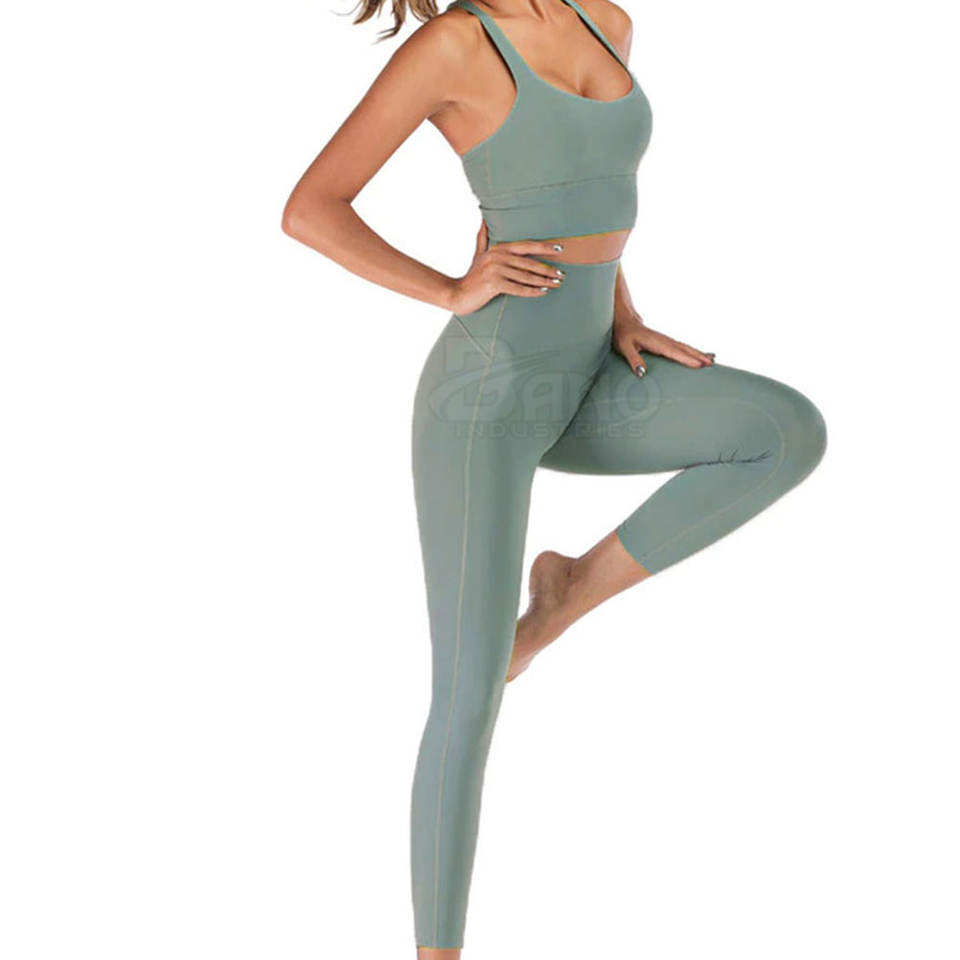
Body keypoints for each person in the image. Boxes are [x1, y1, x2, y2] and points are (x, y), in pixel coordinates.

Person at [282, 0, 827, 955]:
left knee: (784, 432)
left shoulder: (605, 18)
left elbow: (593, 197)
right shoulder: (454, 44)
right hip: (488, 396)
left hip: (594, 369)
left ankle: (565, 594)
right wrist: (450, 289)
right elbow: (310, 208)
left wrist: (625, 312)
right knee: (468, 700)